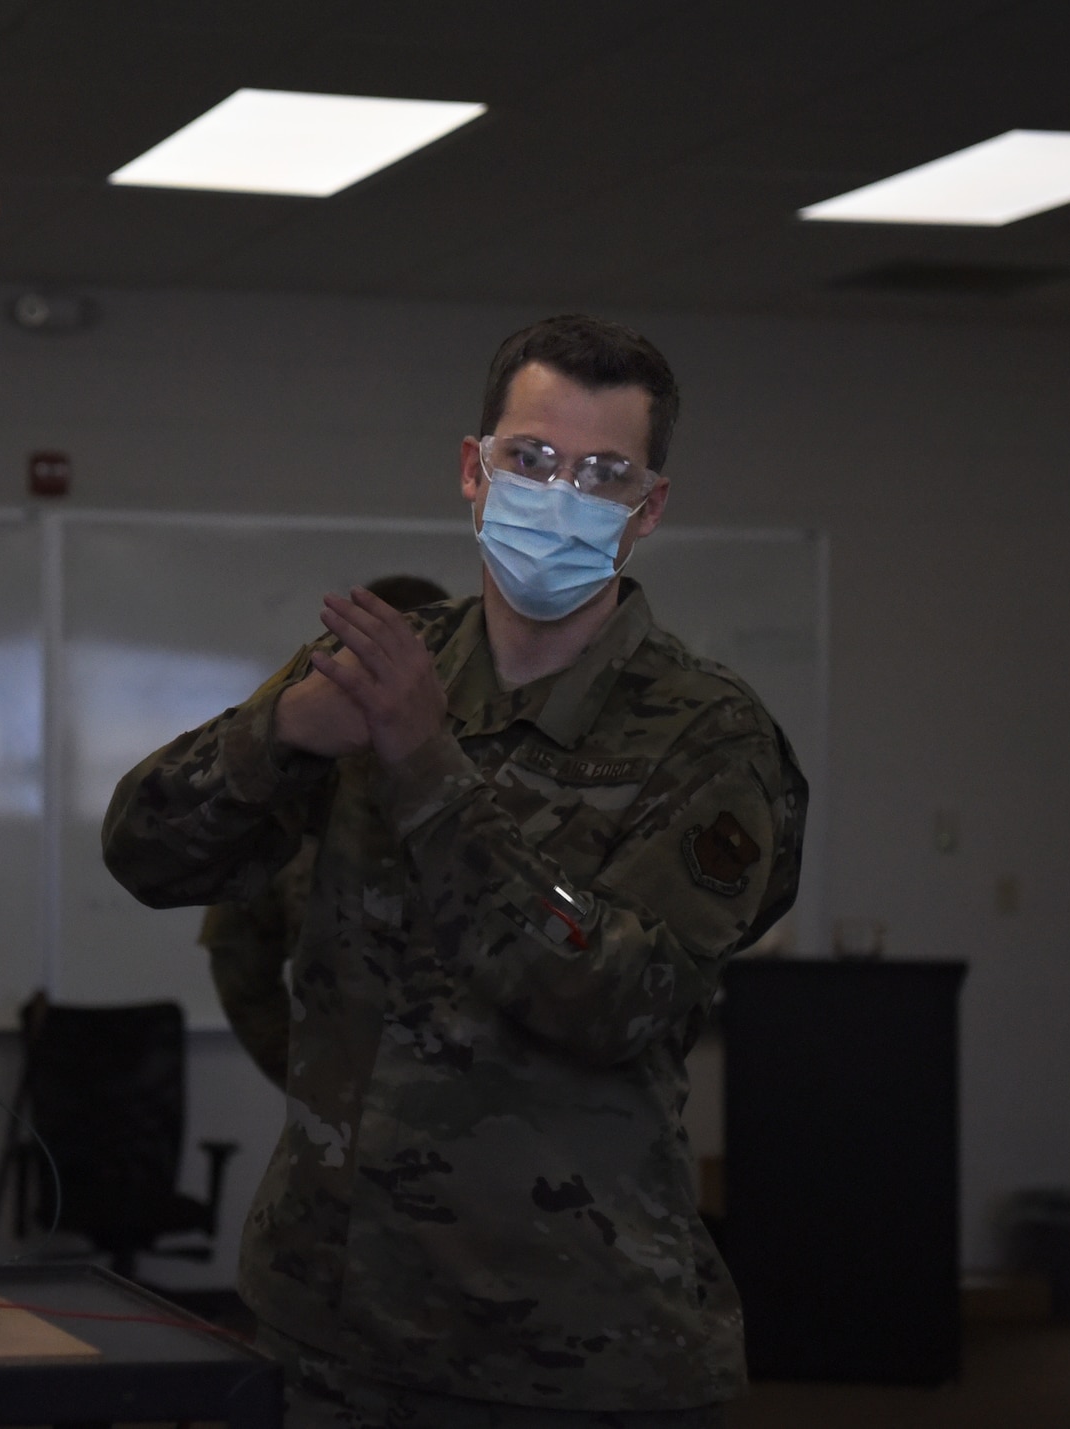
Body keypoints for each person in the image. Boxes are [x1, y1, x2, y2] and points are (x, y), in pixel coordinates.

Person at [103, 315, 806, 1428]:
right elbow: (142, 851)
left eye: (601, 474)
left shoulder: (707, 737)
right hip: (329, 1323)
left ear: (645, 509)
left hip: (570, 1353)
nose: (559, 495)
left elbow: (612, 1001)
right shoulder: (378, 666)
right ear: (472, 473)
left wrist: (427, 769)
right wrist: (279, 730)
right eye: (530, 459)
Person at [201, 573, 448, 1090]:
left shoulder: (485, 778)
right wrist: (309, 1082)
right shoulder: (302, 778)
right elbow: (238, 950)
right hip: (345, 1114)